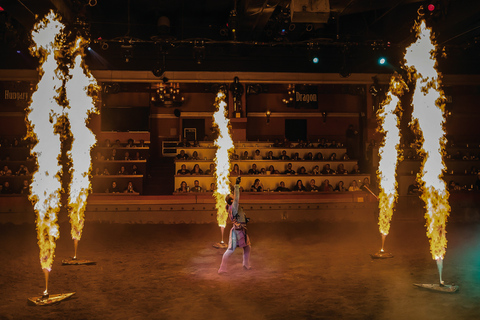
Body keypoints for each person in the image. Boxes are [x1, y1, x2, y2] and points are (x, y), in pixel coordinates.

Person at [218, 177, 251, 273]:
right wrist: (237, 185)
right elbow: (237, 197)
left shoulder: (230, 207)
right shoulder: (234, 206)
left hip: (238, 229)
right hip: (238, 231)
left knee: (247, 247)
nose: (234, 196)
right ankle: (222, 269)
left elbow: (237, 217)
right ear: (232, 201)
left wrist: (244, 220)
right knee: (231, 250)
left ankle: (246, 264)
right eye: (232, 196)